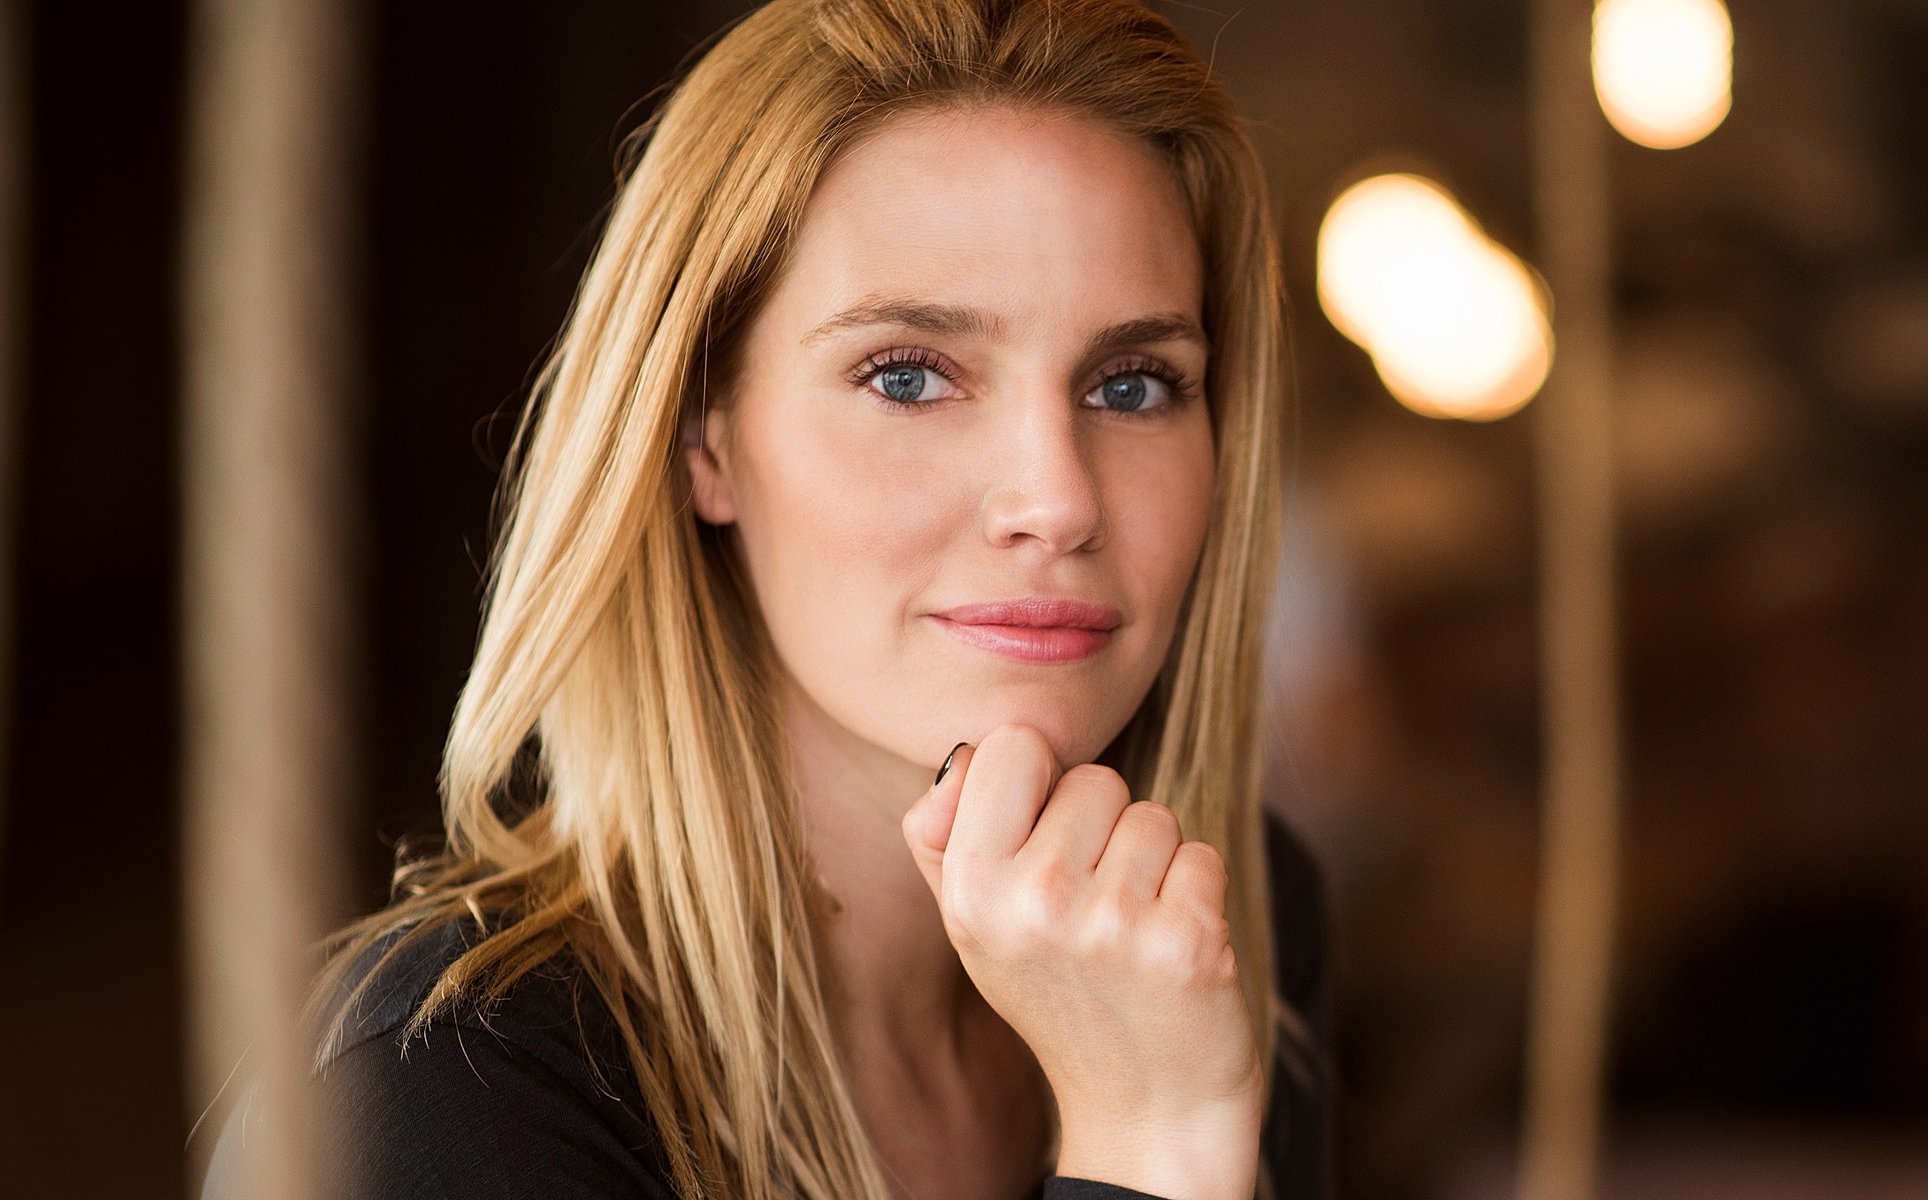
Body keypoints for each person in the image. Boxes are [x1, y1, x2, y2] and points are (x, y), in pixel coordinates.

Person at [205, 0, 1329, 1196]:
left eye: (1134, 385)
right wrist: (1153, 1141)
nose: (1055, 501)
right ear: (703, 435)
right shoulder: (429, 1107)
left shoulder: (1215, 930)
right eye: (907, 376)